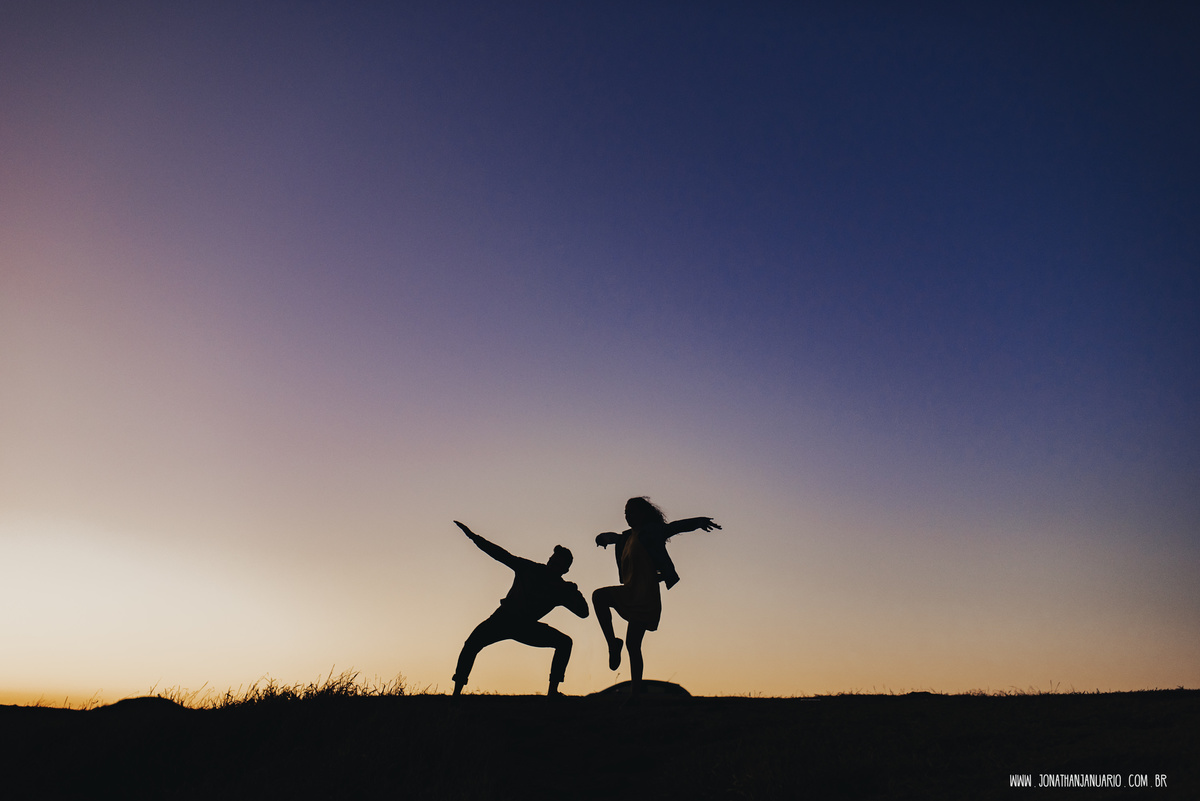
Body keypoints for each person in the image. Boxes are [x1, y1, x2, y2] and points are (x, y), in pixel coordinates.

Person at [591, 497, 721, 701]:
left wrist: (699, 521)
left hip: (645, 596)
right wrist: (603, 538)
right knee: (599, 597)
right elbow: (615, 537)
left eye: (632, 511)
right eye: (625, 512)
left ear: (643, 513)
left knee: (633, 645)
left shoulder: (651, 531)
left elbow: (675, 527)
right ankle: (612, 645)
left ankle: (635, 695)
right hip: (630, 591)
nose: (627, 515)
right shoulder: (627, 537)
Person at [451, 521, 589, 697]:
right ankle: (456, 693)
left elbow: (584, 613)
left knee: (565, 642)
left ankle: (553, 692)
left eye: (557, 564)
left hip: (526, 627)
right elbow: (500, 554)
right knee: (471, 644)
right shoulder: (529, 568)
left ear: (565, 570)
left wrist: (575, 592)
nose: (552, 564)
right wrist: (473, 537)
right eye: (552, 560)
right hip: (503, 619)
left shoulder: (561, 589)